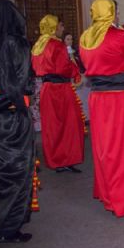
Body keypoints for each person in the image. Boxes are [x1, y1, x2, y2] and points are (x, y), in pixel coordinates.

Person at [79, 0, 124, 217]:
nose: (118, 16)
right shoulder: (118, 36)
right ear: (110, 13)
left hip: (98, 98)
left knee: (103, 148)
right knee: (122, 148)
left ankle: (107, 192)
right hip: (118, 98)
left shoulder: (85, 38)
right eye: (116, 12)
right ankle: (123, 200)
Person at [0, 0, 35, 243]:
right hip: (11, 117)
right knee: (17, 172)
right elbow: (20, 84)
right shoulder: (15, 45)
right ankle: (9, 227)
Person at [31, 15, 85, 173]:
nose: (62, 28)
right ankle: (66, 159)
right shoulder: (56, 44)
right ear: (54, 27)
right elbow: (64, 68)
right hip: (60, 89)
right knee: (69, 124)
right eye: (60, 25)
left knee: (52, 127)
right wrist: (75, 70)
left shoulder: (38, 45)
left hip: (47, 88)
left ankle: (55, 160)